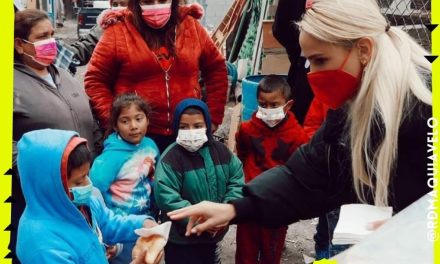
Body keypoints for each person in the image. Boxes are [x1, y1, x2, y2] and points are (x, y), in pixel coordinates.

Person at [166, 0, 432, 247]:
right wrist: (235, 208)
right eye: (307, 62)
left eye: (320, 60)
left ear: (363, 50)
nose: (312, 74)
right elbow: (304, 178)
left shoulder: (425, 109)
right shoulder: (350, 111)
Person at [12, 9, 100, 258]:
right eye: (42, 37)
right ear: (20, 44)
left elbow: (88, 117)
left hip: (78, 186)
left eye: (52, 34)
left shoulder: (61, 73)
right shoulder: (10, 83)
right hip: (40, 195)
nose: (51, 41)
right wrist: (40, 169)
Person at [85, 0, 228, 152]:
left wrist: (212, 117)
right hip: (136, 138)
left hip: (188, 131)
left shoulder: (191, 26)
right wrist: (117, 122)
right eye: (147, 1)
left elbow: (216, 69)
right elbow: (95, 80)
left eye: (162, 0)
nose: (156, 6)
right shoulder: (118, 30)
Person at [16, 129, 161, 264]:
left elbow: (108, 223)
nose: (88, 184)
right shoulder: (42, 246)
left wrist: (145, 224)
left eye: (87, 175)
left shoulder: (83, 203)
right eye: (78, 181)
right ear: (50, 187)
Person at [154, 98, 244, 264]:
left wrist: (226, 209)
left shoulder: (221, 152)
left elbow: (236, 181)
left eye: (197, 126)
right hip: (181, 239)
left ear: (208, 126)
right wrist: (201, 220)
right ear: (175, 128)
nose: (191, 131)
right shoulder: (171, 158)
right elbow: (166, 196)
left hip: (212, 235)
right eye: (183, 127)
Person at [235, 75, 309, 264]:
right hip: (250, 196)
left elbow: (298, 170)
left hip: (277, 202)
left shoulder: (297, 136)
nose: (268, 110)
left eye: (274, 105)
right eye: (263, 104)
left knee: (271, 249)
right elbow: (242, 152)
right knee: (245, 248)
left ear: (288, 105)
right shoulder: (247, 129)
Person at [90, 93, 160, 263]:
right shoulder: (109, 158)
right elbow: (94, 192)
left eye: (138, 118)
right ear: (115, 126)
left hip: (145, 220)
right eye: (125, 121)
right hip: (120, 228)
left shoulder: (150, 146)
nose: (134, 126)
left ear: (147, 120)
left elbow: (152, 179)